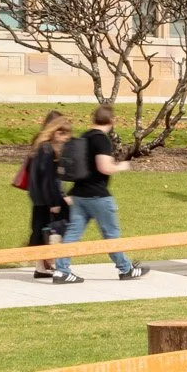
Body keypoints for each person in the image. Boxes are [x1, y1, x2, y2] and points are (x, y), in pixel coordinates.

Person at [51, 103, 151, 284]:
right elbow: (104, 167)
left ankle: (61, 270)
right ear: (111, 121)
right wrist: (122, 165)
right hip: (98, 196)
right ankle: (126, 269)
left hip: (79, 195)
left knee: (72, 235)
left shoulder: (84, 137)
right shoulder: (101, 140)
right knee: (111, 234)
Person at [24, 113, 72, 279]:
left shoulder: (40, 145)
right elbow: (47, 177)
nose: (66, 138)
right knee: (53, 231)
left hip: (38, 197)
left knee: (43, 230)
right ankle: (48, 264)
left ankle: (44, 265)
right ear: (55, 130)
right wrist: (54, 200)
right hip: (47, 198)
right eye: (63, 133)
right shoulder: (46, 149)